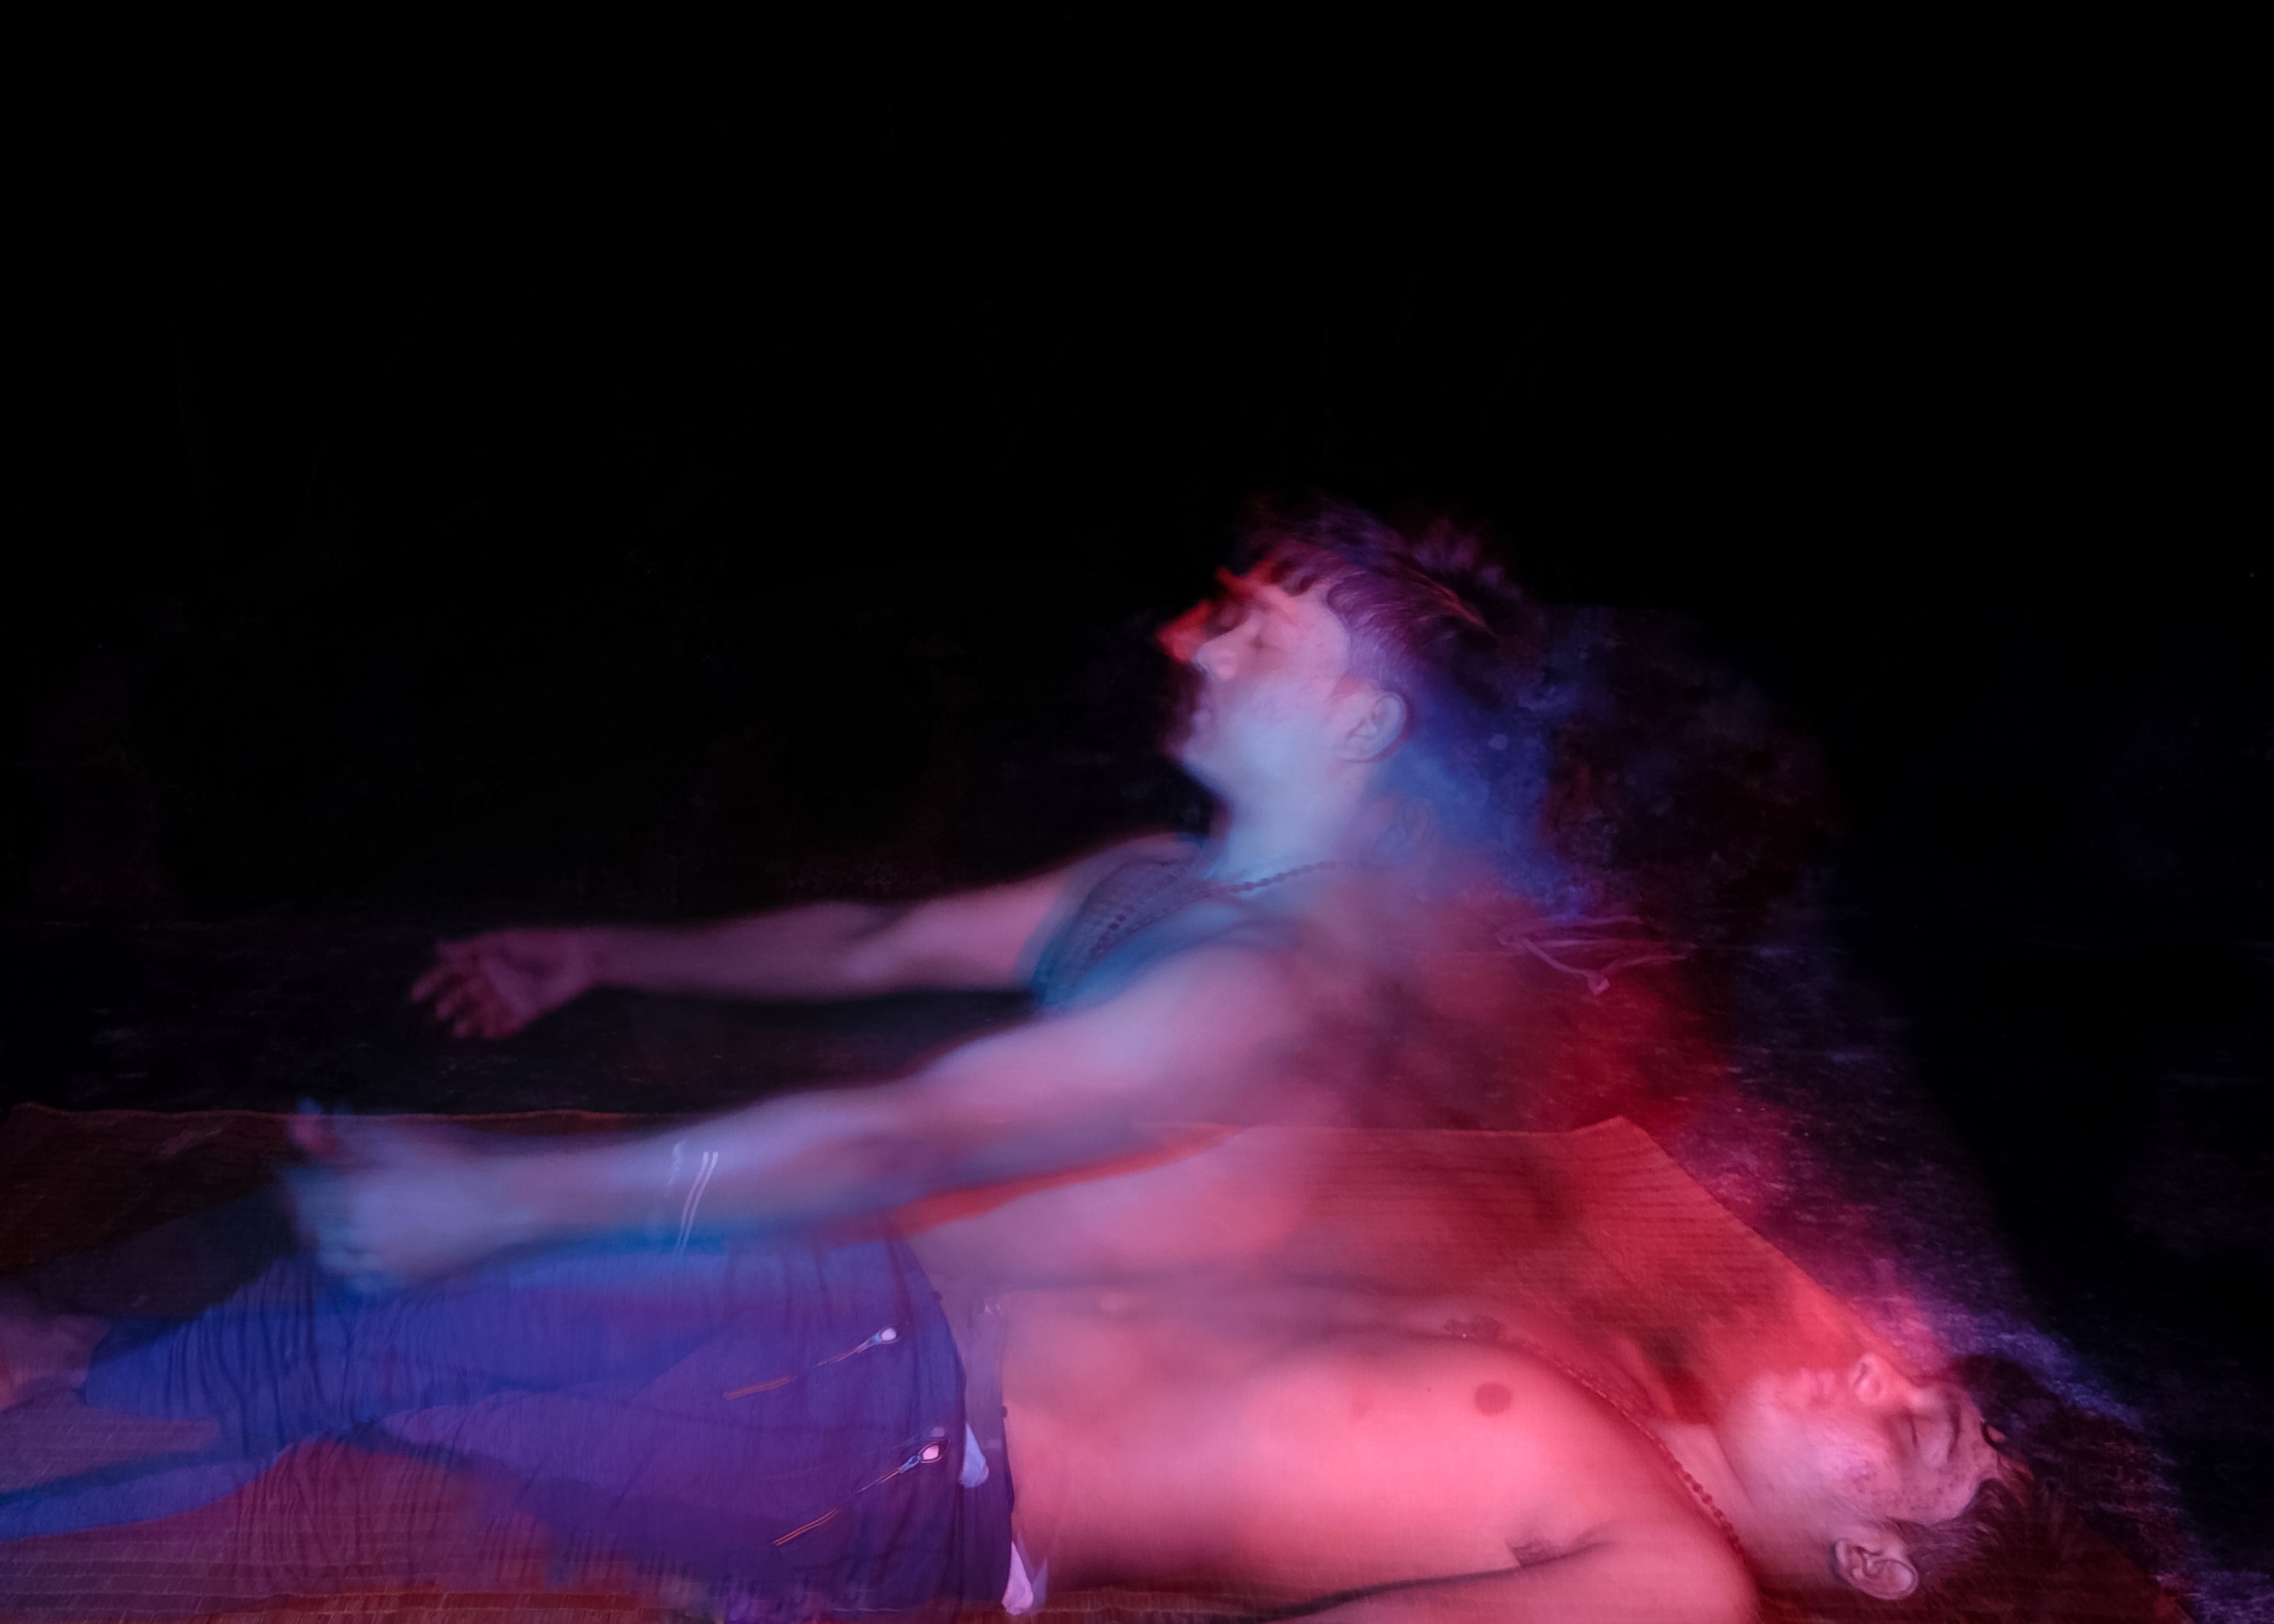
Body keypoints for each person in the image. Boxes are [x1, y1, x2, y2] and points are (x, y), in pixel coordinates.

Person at [0, 1122, 2040, 1624]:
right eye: (1896, 1363)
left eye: (1901, 1432)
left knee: (345, 1382)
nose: (1862, 1367)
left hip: (906, 1448)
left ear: (1878, 1566)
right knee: (367, 1322)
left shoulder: (1671, 1592)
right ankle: (0, 1392)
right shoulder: (1643, 1372)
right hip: (885, 1311)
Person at [303, 498, 1598, 1288]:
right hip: (889, 1301)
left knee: (380, 1321)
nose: (1184, 641)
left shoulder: (1270, 978)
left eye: (1251, 631)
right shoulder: (1154, 875)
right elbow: (876, 943)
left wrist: (508, 1197)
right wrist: (598, 954)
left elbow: (905, 1139)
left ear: (1364, 723)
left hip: (962, 1397)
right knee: (354, 1291)